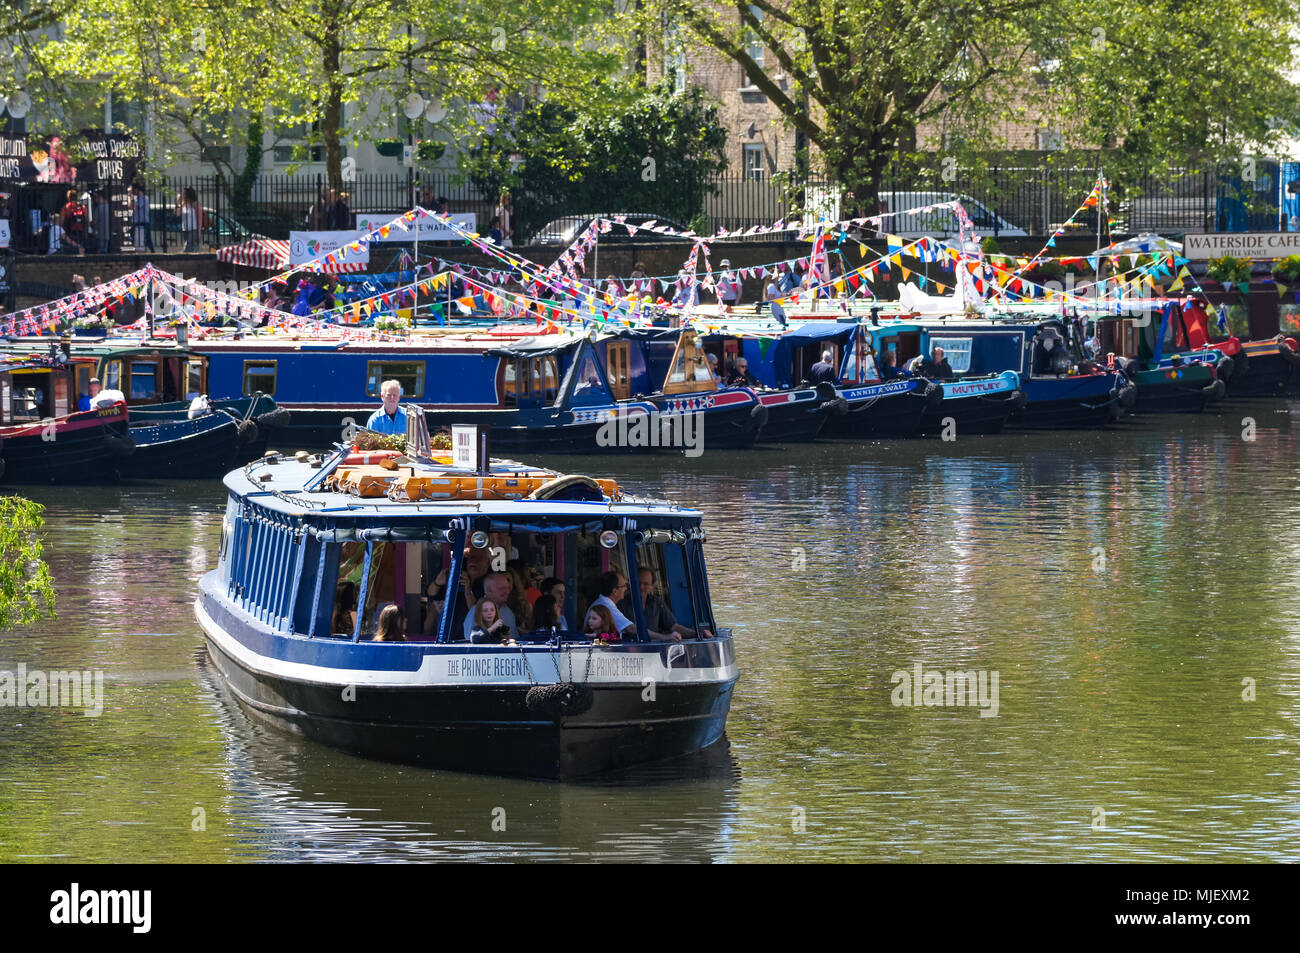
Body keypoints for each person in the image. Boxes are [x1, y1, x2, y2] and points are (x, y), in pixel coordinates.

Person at [637, 568, 710, 640]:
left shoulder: (656, 602)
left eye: (646, 584)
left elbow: (674, 627)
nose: (641, 587)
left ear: (652, 586)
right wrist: (663, 637)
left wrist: (698, 634)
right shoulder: (625, 603)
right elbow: (632, 629)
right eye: (638, 583)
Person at [462, 571, 517, 640]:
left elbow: (513, 639)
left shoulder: (507, 611)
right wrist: (493, 628)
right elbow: (472, 641)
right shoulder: (476, 611)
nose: (507, 591)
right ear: (489, 591)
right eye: (502, 588)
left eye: (508, 588)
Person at [60, 189, 88, 255]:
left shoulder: (65, 207)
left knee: (72, 247)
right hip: (81, 231)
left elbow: (61, 222)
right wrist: (86, 232)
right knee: (81, 247)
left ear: (68, 197)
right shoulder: (83, 207)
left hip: (70, 231)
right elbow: (86, 221)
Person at [130, 183, 153, 252]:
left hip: (142, 223)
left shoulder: (143, 198)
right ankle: (152, 252)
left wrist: (129, 197)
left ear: (137, 190)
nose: (133, 192)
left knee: (146, 240)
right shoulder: (139, 198)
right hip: (138, 222)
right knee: (133, 238)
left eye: (133, 190)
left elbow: (132, 206)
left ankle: (153, 252)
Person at [177, 187, 201, 252]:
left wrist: (199, 231)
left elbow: (199, 217)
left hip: (193, 229)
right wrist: (178, 202)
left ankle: (182, 256)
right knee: (190, 248)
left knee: (187, 247)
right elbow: (178, 214)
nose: (183, 195)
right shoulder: (183, 204)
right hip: (185, 229)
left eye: (184, 193)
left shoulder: (195, 204)